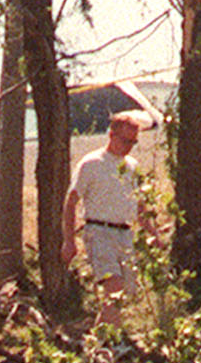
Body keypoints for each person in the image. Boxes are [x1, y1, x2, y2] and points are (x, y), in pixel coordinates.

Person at [61, 110, 156, 330]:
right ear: (111, 135)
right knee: (114, 285)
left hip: (125, 233)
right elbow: (71, 202)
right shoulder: (91, 163)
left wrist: (154, 234)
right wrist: (69, 241)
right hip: (99, 231)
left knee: (121, 294)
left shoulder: (132, 166)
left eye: (133, 142)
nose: (129, 146)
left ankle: (102, 340)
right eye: (125, 140)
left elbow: (140, 207)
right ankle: (107, 343)